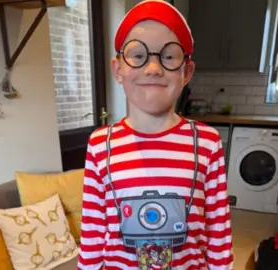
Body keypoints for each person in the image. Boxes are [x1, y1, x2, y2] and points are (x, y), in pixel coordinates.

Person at [77, 1, 233, 269]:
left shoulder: (206, 143)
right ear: (118, 70)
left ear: (187, 72)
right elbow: (92, 231)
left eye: (169, 56)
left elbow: (218, 233)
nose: (153, 68)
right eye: (137, 56)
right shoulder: (100, 144)